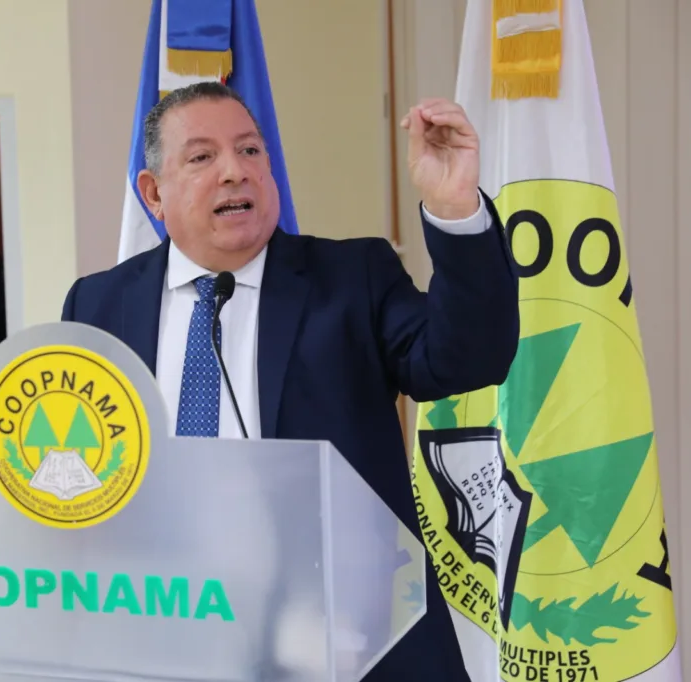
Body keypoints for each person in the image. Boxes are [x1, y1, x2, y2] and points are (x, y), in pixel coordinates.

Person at [61, 82, 519, 681]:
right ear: (153, 193)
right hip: (164, 632)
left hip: (343, 637)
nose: (235, 171)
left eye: (250, 150)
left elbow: (469, 360)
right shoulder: (97, 304)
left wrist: (456, 209)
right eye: (202, 157)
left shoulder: (352, 278)